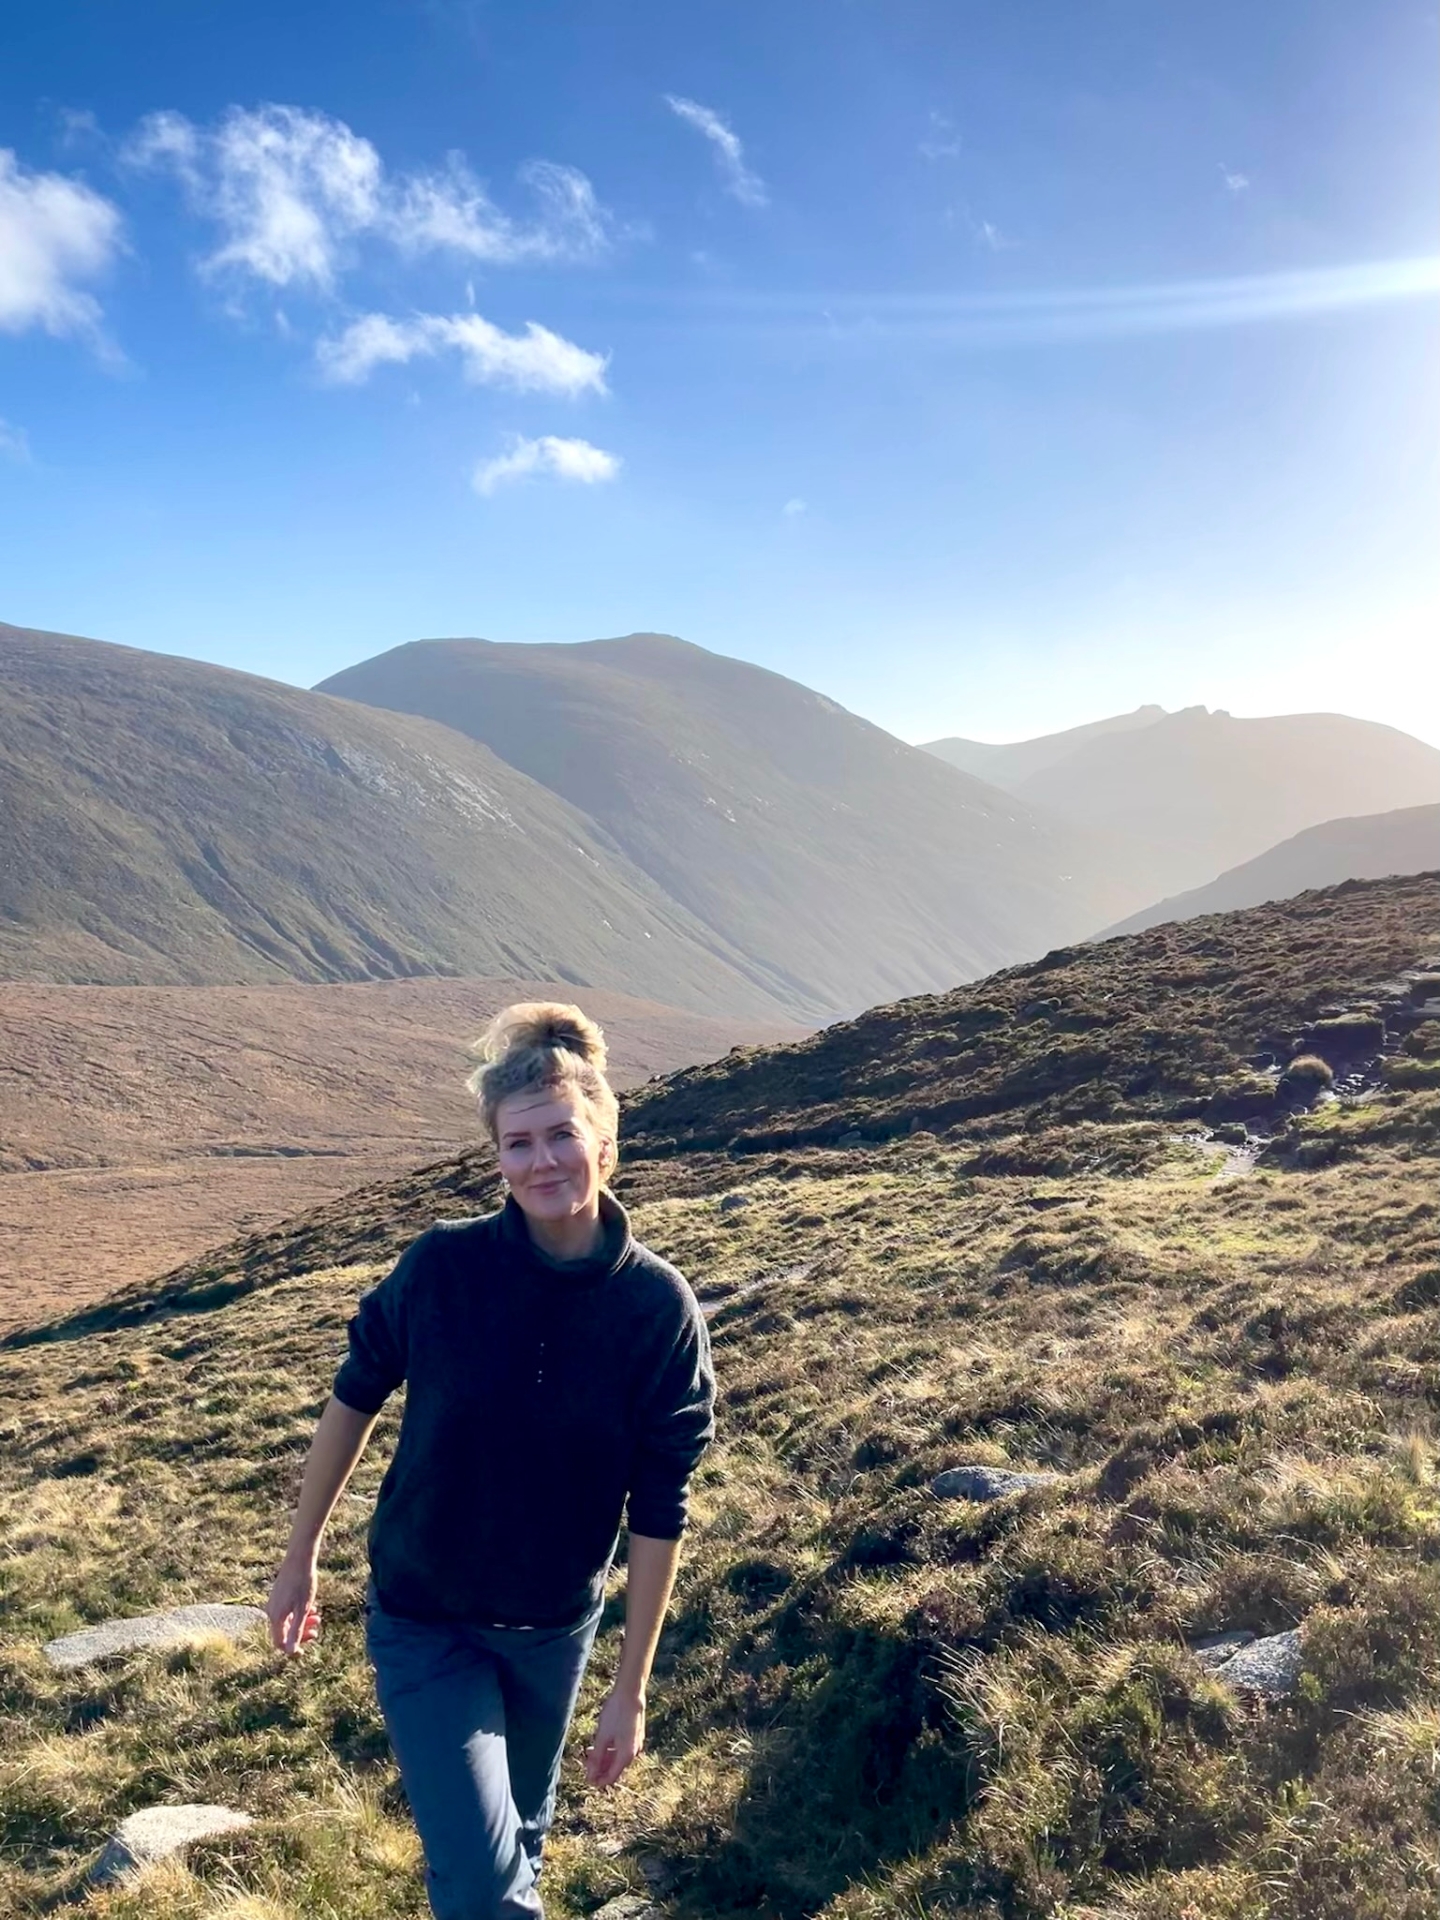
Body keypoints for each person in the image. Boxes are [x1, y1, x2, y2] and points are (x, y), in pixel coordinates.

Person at [264, 1003, 716, 1920]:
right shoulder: (443, 1268)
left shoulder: (657, 1310)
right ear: (497, 1158)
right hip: (423, 1617)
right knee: (482, 1881)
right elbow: (355, 1395)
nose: (542, 1161)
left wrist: (629, 1690)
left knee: (521, 1838)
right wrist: (300, 1555)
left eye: (562, 1136)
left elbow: (659, 1507)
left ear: (606, 1145)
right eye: (518, 1143)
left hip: (552, 1629)